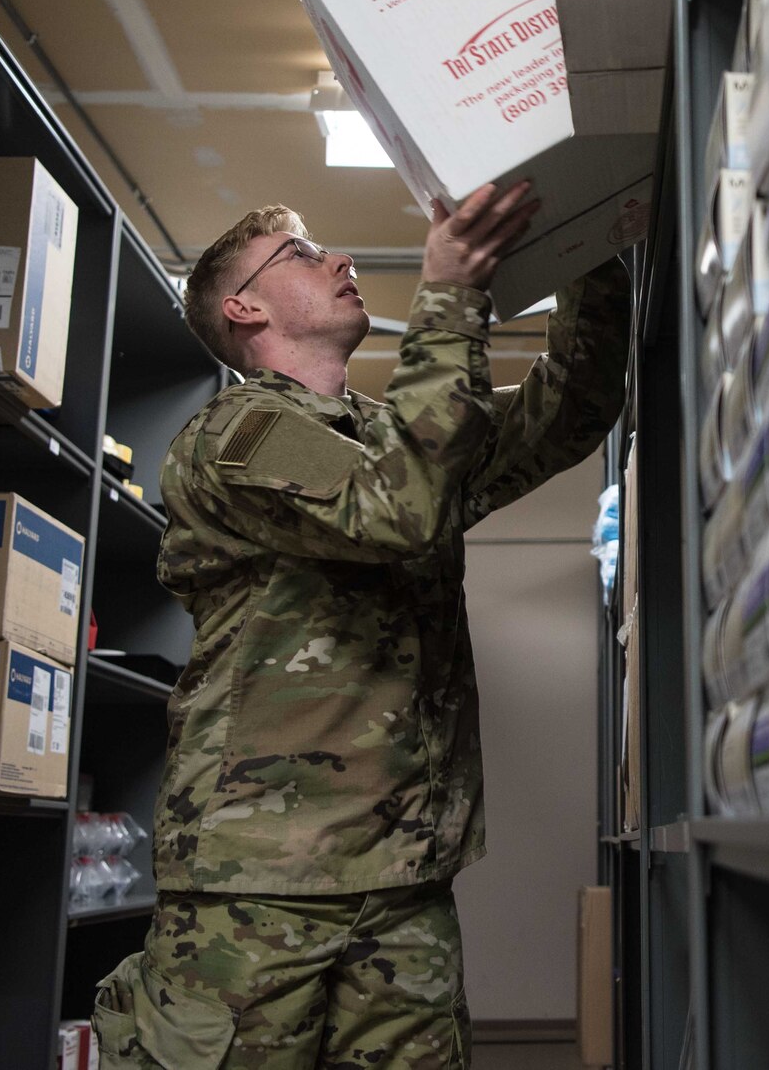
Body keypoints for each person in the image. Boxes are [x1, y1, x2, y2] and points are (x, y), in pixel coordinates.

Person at [93, 182, 630, 1069]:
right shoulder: (236, 433)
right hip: (260, 887)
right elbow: (398, 506)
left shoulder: (394, 434)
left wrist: (589, 236)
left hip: (405, 878)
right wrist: (450, 290)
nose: (339, 259)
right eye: (302, 253)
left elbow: (569, 408)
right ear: (244, 307)